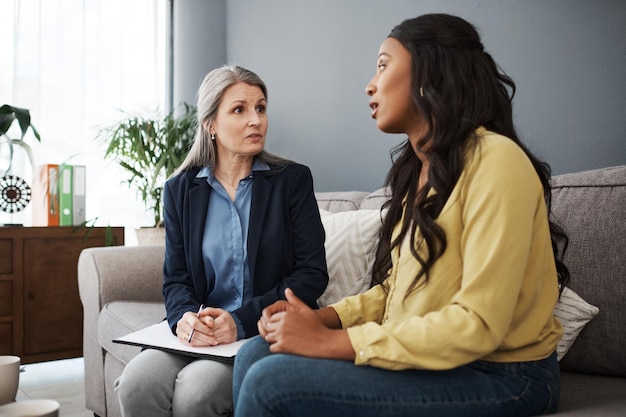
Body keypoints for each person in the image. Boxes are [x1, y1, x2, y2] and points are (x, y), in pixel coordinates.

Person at [232, 13, 570, 417]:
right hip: (434, 358)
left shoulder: (496, 160)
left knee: (272, 384)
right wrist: (323, 319)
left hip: (504, 374)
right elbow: (398, 292)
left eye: (383, 64)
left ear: (428, 73)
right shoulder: (424, 172)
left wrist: (332, 343)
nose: (370, 85)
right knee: (255, 351)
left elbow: (479, 325)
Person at [114, 65, 329, 417]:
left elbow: (311, 275)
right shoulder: (180, 190)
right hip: (202, 330)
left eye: (260, 108)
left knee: (196, 393)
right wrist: (184, 317)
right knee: (137, 384)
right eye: (239, 110)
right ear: (211, 124)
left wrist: (240, 321)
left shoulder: (292, 181)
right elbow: (177, 278)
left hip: (260, 328)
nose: (255, 120)